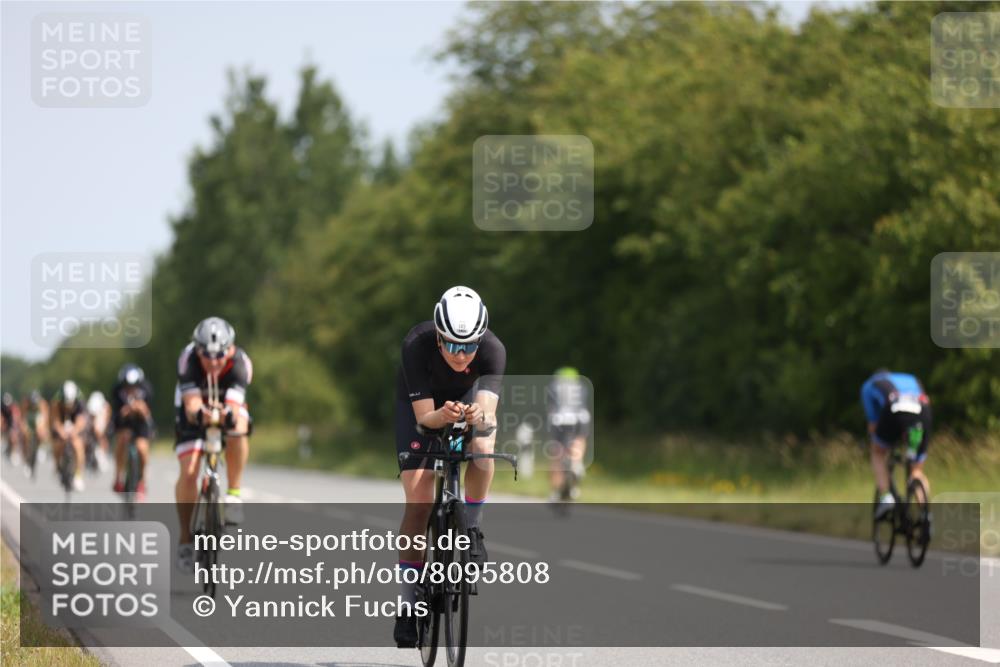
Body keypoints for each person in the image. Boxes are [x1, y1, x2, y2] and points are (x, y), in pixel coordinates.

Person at [393, 286, 504, 648]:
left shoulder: (493, 350)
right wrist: (440, 416)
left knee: (484, 448)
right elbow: (425, 420)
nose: (461, 354)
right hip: (422, 407)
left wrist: (478, 416)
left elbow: (488, 414)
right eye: (453, 345)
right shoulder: (416, 344)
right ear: (439, 337)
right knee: (420, 498)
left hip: (466, 400)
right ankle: (408, 606)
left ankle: (471, 529)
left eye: (468, 345)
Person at [173, 317, 253, 573]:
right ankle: (185, 537)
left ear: (230, 349)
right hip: (195, 403)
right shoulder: (188, 361)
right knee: (189, 473)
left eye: (220, 355)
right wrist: (202, 414)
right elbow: (192, 405)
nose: (214, 361)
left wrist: (226, 414)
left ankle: (234, 494)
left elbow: (234, 406)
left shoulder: (241, 363)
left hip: (225, 399)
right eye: (206, 355)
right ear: (197, 349)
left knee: (239, 427)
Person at [861, 369, 932, 518]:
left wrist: (880, 440)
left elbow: (873, 425)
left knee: (878, 453)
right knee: (916, 470)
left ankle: (886, 497)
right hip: (922, 412)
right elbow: (925, 399)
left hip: (894, 409)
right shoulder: (911, 377)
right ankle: (926, 515)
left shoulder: (869, 385)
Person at [546, 366, 591, 503]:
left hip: (560, 419)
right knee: (579, 441)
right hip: (580, 419)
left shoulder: (553, 386)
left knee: (557, 454)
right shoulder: (582, 386)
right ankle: (577, 464)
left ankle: (555, 492)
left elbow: (551, 407)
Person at [110, 363, 155, 499]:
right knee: (121, 440)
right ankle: (118, 477)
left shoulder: (146, 389)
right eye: (127, 386)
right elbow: (117, 414)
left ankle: (142, 481)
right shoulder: (116, 391)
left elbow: (147, 412)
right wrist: (127, 410)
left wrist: (140, 408)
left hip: (141, 423)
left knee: (142, 448)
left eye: (133, 386)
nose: (130, 389)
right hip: (123, 423)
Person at [51, 380, 87, 491]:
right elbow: (56, 420)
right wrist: (61, 432)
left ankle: (78, 475)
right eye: (66, 403)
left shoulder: (80, 401)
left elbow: (81, 421)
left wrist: (74, 431)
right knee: (58, 444)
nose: (68, 406)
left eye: (71, 403)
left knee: (78, 445)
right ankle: (57, 467)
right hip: (62, 420)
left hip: (75, 421)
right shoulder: (56, 401)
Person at [86, 390, 112, 472]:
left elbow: (106, 419)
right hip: (92, 421)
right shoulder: (90, 407)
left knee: (100, 435)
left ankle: (103, 455)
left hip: (101, 421)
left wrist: (103, 428)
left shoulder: (106, 407)